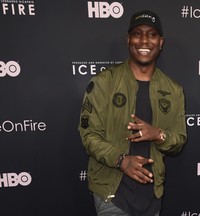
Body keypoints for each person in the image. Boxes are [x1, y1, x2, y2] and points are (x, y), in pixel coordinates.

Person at [79, 9, 187, 216]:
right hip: (112, 192)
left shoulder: (174, 90)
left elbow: (179, 140)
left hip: (152, 196)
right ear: (128, 39)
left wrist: (158, 135)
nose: (144, 40)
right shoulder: (104, 82)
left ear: (161, 42)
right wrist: (121, 160)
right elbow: (89, 135)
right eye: (137, 33)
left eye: (151, 34)